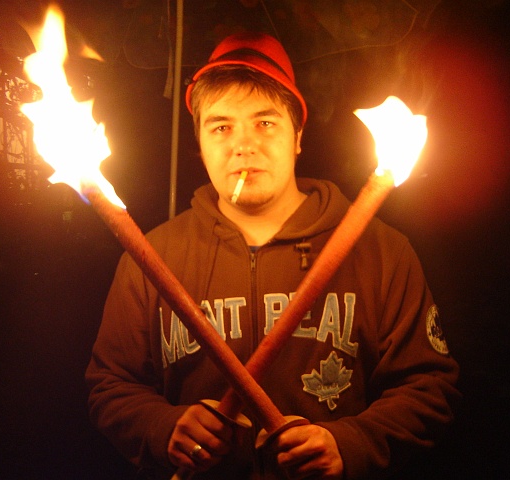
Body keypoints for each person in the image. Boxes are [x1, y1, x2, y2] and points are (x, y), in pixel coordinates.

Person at [85, 32, 460, 479]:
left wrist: (350, 444)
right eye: (221, 127)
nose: (244, 145)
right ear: (200, 143)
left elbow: (429, 387)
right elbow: (111, 386)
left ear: (297, 136)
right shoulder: (151, 258)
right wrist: (163, 428)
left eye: (265, 122)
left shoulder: (381, 251)